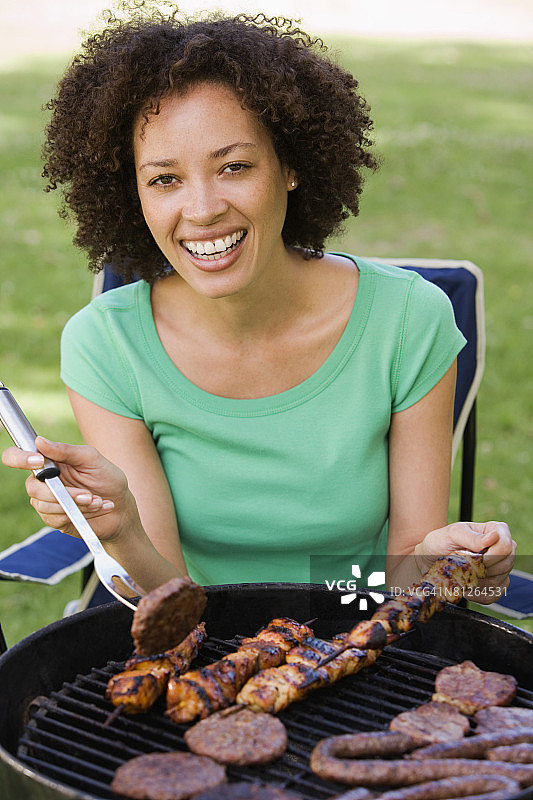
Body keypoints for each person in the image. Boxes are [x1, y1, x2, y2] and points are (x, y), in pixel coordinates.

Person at [2, 1, 514, 601]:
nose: (202, 209)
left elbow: (404, 581)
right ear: (133, 195)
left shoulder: (408, 321)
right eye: (165, 179)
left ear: (290, 165)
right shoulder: (105, 345)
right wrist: (122, 531)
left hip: (364, 634)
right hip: (201, 651)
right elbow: (173, 601)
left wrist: (442, 565)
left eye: (235, 166)